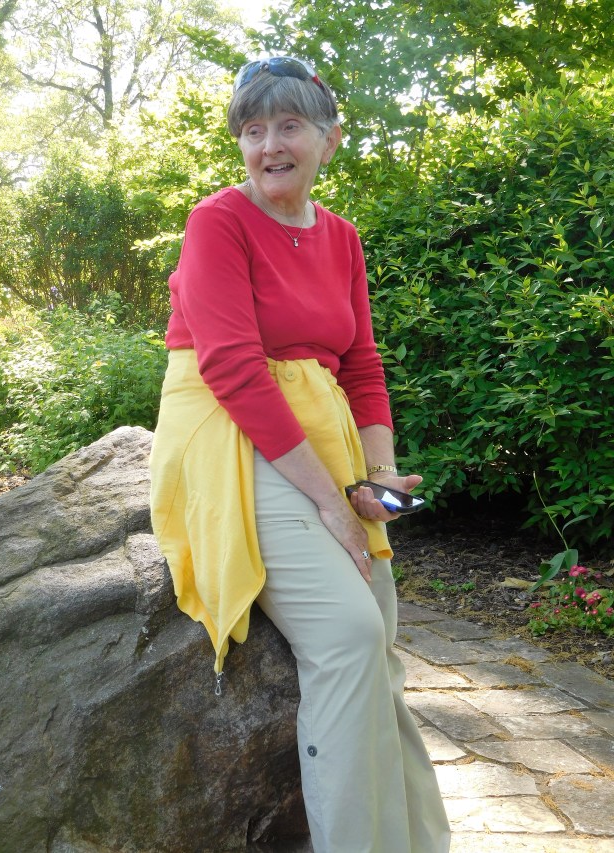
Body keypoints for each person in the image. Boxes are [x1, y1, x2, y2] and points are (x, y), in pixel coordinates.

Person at [149, 55, 450, 853]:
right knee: (348, 635)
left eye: (289, 125)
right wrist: (327, 497)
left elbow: (361, 363)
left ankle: (414, 841)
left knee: (378, 634)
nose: (269, 144)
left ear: (329, 138)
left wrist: (378, 477)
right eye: (253, 130)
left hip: (321, 434)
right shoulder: (218, 220)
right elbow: (233, 369)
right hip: (227, 432)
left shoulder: (341, 236)